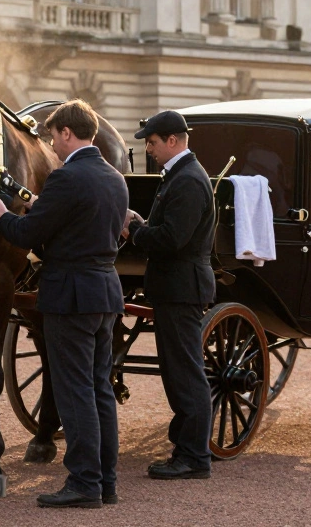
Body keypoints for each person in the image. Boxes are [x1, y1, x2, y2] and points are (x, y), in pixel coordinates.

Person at [0, 99, 129, 509]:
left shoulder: (66, 178)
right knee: (99, 390)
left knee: (74, 391)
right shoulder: (115, 178)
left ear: (67, 132)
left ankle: (83, 483)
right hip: (105, 291)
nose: (52, 145)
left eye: (53, 136)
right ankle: (105, 482)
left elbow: (27, 234)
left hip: (71, 294)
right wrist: (38, 208)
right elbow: (84, 225)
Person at [123, 110, 215, 480]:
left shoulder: (188, 180)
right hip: (175, 286)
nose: (149, 148)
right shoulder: (181, 176)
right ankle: (186, 448)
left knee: (185, 373)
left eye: (153, 141)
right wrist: (144, 226)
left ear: (173, 141)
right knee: (177, 372)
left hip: (181, 287)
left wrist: (135, 232)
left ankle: (194, 457)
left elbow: (172, 239)